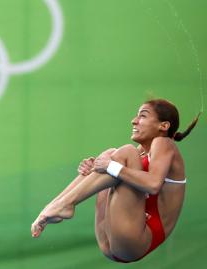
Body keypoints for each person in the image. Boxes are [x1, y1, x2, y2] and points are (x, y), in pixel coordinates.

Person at [31, 99, 200, 263]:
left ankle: (65, 205)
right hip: (113, 240)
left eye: (143, 116)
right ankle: (54, 206)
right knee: (111, 154)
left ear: (164, 126)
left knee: (123, 154)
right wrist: (93, 169)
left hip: (139, 239)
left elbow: (153, 184)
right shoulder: (141, 152)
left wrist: (110, 167)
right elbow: (119, 173)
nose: (134, 121)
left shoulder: (164, 144)